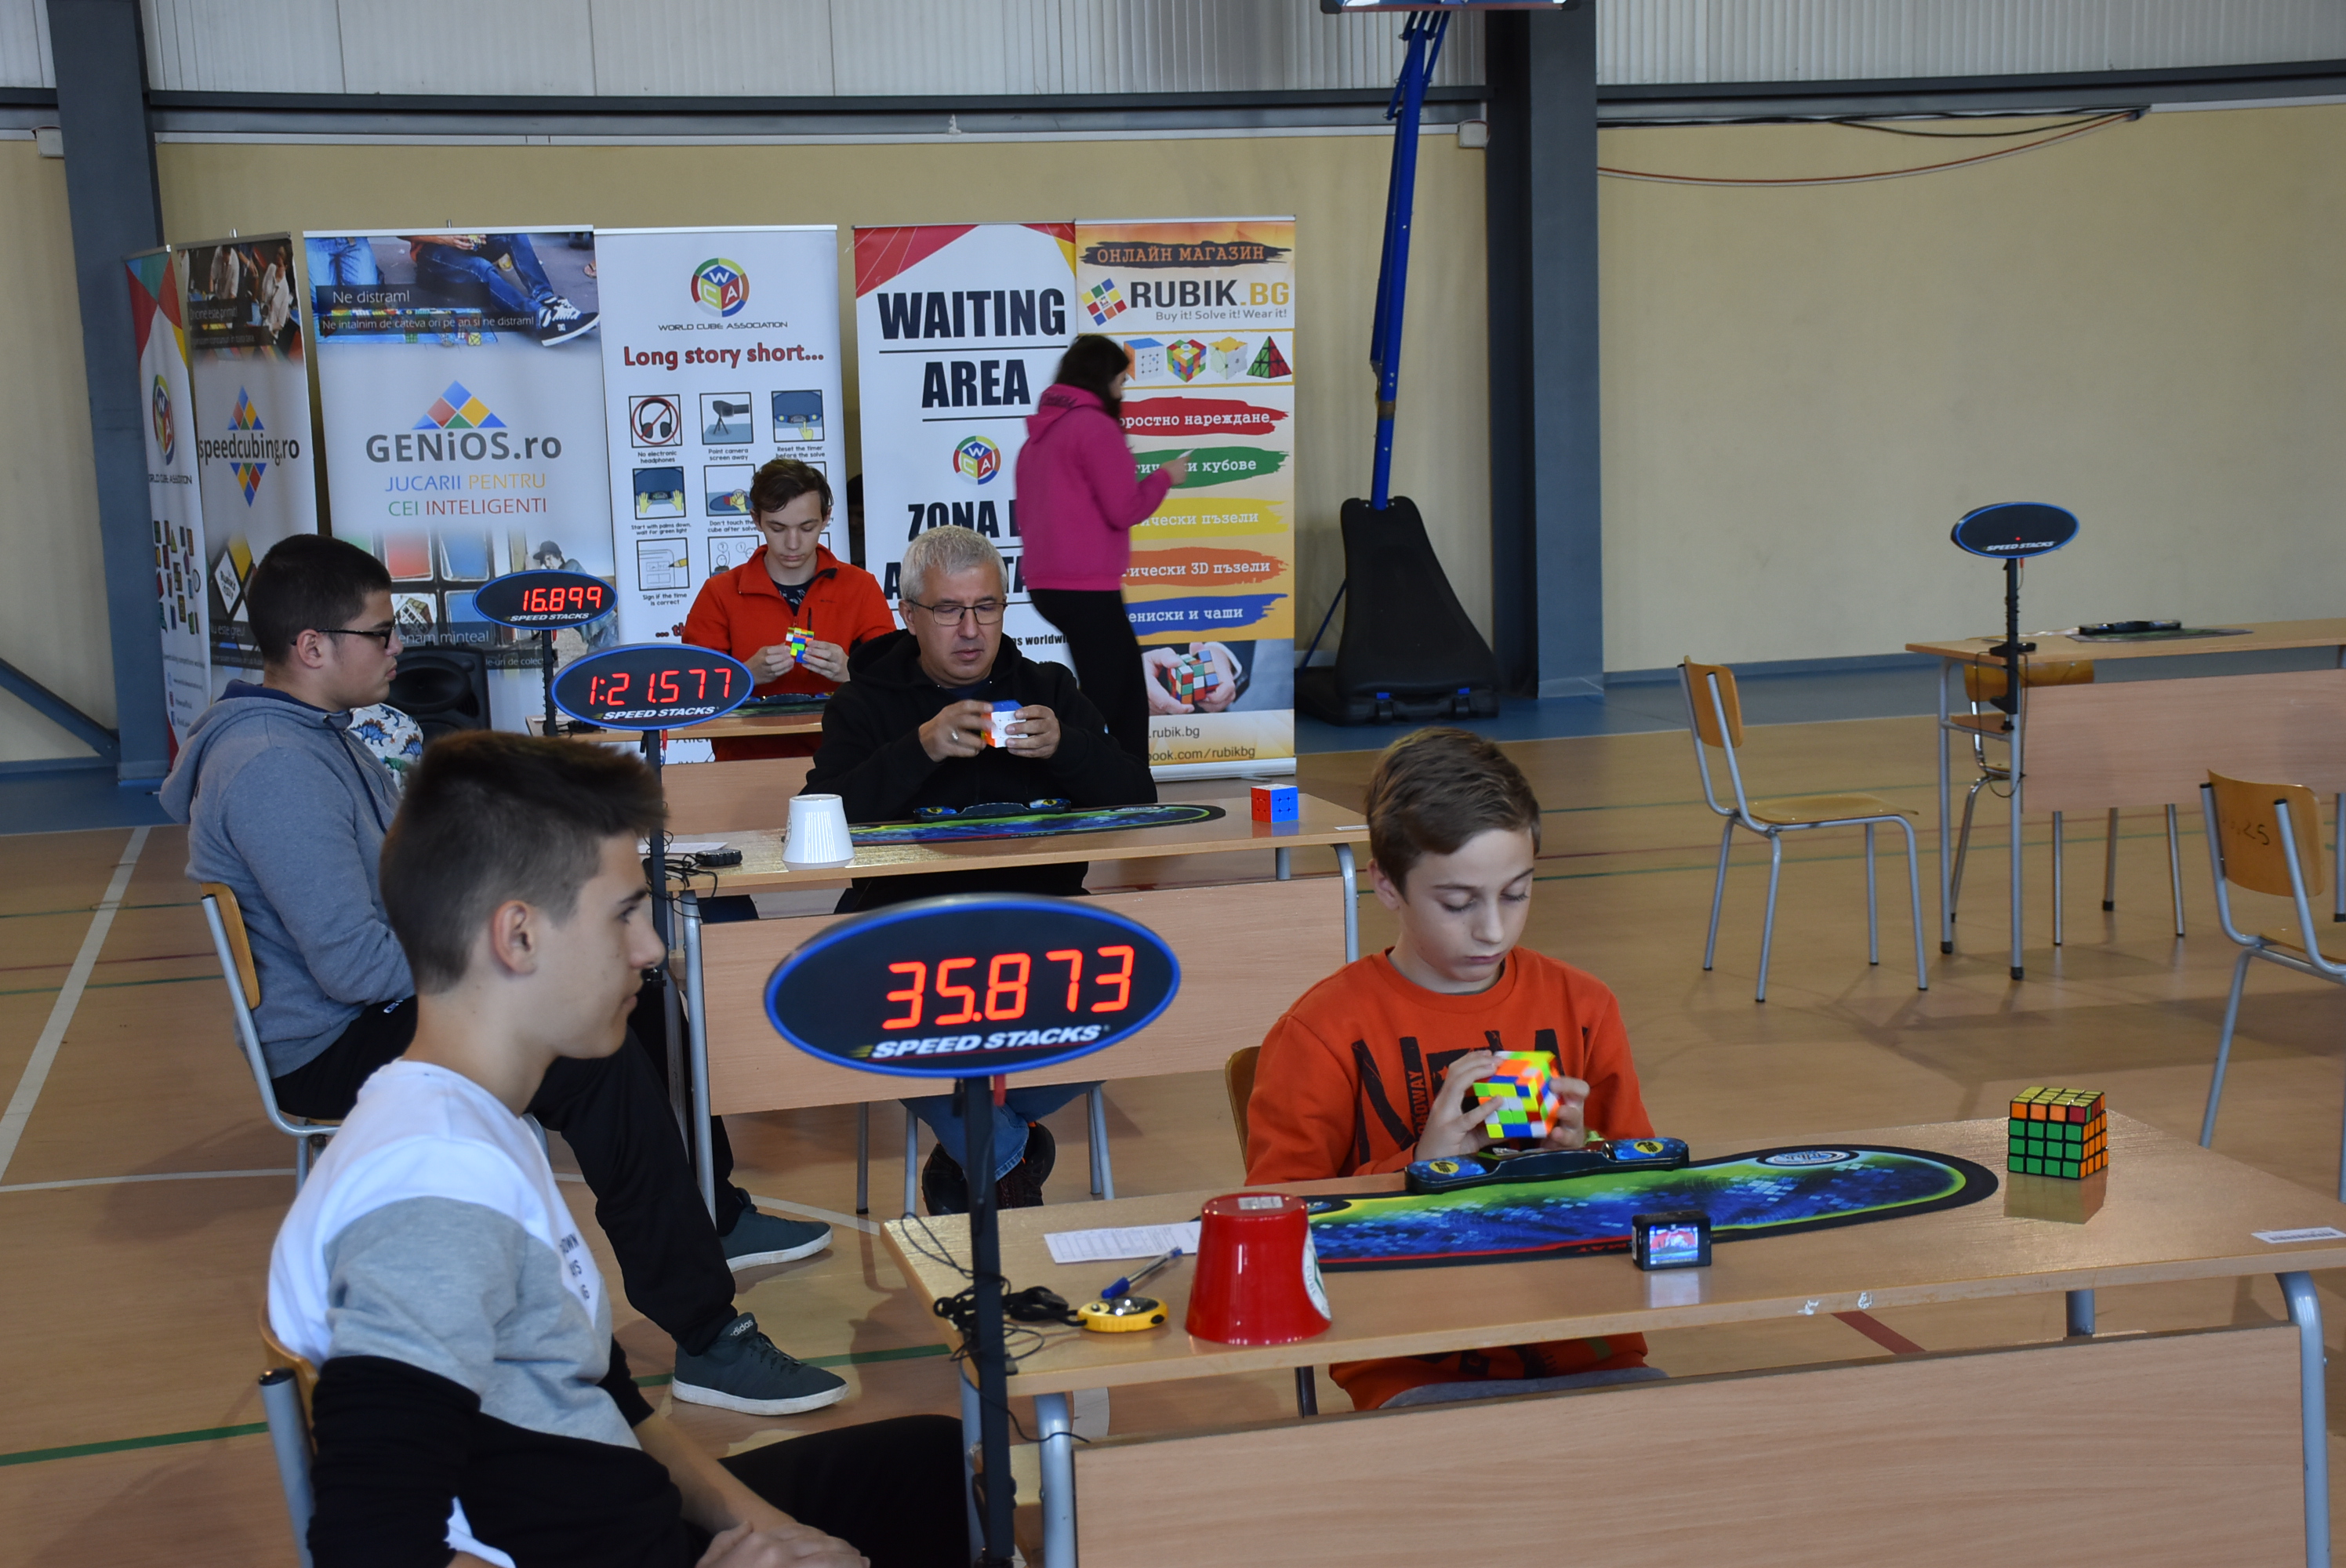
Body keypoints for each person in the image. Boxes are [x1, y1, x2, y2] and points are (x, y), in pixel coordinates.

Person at [162, 534, 842, 1417]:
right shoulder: (274, 766)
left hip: (393, 1003)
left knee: (631, 996)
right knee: (588, 1055)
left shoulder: (318, 736)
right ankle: (708, 1334)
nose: (398, 646)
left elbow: (407, 896)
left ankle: (714, 1212)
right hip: (334, 1043)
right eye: (380, 632)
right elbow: (354, 965)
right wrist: (514, 963)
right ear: (312, 646)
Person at [268, 731, 965, 1567]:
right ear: (518, 936)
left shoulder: (484, 1121)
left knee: (930, 1465)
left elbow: (614, 1403)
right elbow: (369, 1547)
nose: (650, 948)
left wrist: (771, 1533)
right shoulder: (434, 1192)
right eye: (624, 914)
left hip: (623, 1507)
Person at [1244, 727, 1663, 1411]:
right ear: (1386, 885)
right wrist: (1420, 1168)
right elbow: (1275, 1233)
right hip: (1412, 1365)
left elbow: (1654, 1201)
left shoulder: (1583, 1006)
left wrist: (1586, 1159)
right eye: (1459, 903)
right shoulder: (1322, 1033)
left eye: (1516, 893)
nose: (1492, 930)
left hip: (1589, 1346)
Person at [804, 525, 1156, 1214]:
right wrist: (920, 747)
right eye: (949, 610)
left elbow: (1139, 801)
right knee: (859, 1001)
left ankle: (979, 1145)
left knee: (1141, 989)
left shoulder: (1049, 688)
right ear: (909, 614)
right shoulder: (864, 703)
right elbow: (823, 821)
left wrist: (1069, 747)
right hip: (904, 935)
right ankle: (1007, 1154)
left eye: (987, 607)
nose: (971, 630)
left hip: (1042, 929)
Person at [1015, 333, 1186, 763]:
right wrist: (1165, 477)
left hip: (1046, 585)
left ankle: (1094, 774)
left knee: (1101, 691)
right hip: (1088, 587)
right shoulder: (1094, 427)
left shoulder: (1039, 437)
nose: (1122, 392)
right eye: (1121, 381)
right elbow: (1125, 508)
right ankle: (1122, 785)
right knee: (1122, 700)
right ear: (1104, 378)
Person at [681, 459, 893, 760]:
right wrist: (745, 676)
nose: (793, 544)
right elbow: (692, 691)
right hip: (744, 764)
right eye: (777, 528)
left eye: (807, 527)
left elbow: (894, 683)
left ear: (826, 518)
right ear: (756, 520)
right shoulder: (720, 593)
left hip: (844, 761)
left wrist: (850, 671)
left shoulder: (860, 587)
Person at [405, 232, 597, 347]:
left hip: (466, 243)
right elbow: (403, 232)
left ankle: (547, 299)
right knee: (480, 267)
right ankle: (541, 320)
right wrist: (445, 238)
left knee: (513, 234)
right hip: (432, 252)